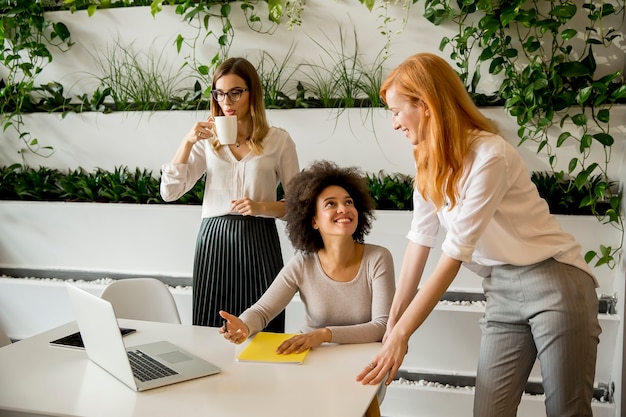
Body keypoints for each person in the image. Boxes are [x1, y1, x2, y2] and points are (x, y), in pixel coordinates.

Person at [355, 52, 601, 417]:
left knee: (567, 411)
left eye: (395, 111)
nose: (393, 124)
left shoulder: (490, 155)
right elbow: (419, 242)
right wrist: (391, 327)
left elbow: (453, 255)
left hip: (555, 281)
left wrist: (404, 334)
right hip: (501, 290)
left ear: (424, 105)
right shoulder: (427, 161)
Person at [219, 160, 396, 417]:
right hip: (311, 362)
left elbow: (381, 326)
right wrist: (244, 326)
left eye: (348, 202)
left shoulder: (378, 258)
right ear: (313, 221)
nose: (344, 209)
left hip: (362, 365)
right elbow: (263, 310)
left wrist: (323, 334)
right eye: (331, 204)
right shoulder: (302, 263)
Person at [160, 57, 300, 331]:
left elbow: (298, 206)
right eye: (220, 93)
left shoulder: (279, 141)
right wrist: (187, 142)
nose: (227, 101)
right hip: (214, 242)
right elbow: (170, 192)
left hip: (260, 241)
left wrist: (261, 206)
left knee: (263, 327)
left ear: (253, 94)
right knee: (210, 327)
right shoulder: (206, 143)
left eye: (236, 92)